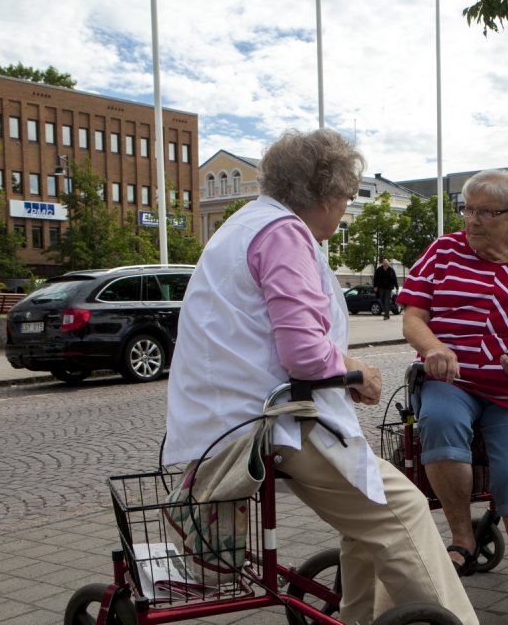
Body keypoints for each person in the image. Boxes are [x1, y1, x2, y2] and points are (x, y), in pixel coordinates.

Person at [164, 128, 477, 625]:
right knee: (404, 511)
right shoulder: (284, 234)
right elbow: (304, 353)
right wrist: (358, 372)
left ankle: (359, 618)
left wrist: (340, 373)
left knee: (366, 522)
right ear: (327, 193)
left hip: (233, 418)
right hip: (271, 421)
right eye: (347, 197)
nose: (344, 207)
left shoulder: (246, 224)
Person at [397, 169, 508, 625]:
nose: (471, 221)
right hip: (451, 379)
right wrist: (434, 348)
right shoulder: (443, 252)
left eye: (484, 212)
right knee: (438, 422)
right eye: (467, 209)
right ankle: (463, 539)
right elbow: (413, 317)